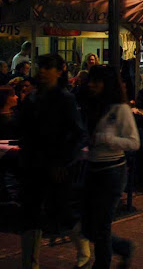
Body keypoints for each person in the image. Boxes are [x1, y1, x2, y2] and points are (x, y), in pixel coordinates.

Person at [18, 54, 87, 269]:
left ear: (59, 70)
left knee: (62, 211)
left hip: (56, 165)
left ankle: (82, 245)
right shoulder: (33, 98)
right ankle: (30, 263)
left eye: (48, 68)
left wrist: (63, 161)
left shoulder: (65, 98)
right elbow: (25, 131)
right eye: (41, 67)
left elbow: (77, 134)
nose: (43, 72)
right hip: (33, 164)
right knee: (31, 214)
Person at [79, 65, 139, 269]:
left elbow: (134, 142)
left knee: (102, 225)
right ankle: (122, 247)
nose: (91, 85)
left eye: (97, 81)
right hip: (92, 168)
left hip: (112, 171)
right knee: (88, 226)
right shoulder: (92, 106)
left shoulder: (120, 109)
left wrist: (108, 139)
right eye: (90, 80)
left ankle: (101, 264)